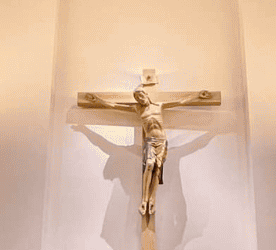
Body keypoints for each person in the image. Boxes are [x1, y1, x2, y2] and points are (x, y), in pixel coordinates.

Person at [83, 86, 213, 216]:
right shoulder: (137, 109)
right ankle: (144, 200)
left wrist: (197, 96)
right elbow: (114, 105)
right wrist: (98, 100)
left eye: (141, 95)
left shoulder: (159, 106)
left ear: (146, 94)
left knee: (158, 169)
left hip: (161, 141)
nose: (140, 99)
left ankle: (152, 199)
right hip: (150, 141)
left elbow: (181, 102)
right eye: (137, 97)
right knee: (149, 165)